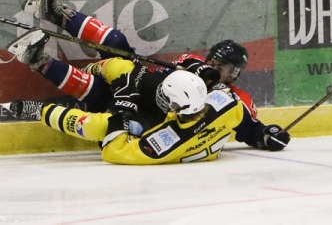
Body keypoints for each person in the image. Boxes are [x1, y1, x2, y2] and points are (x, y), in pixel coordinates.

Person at [11, 0, 290, 151]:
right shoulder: (193, 63)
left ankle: (39, 63)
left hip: (148, 123)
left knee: (97, 98)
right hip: (139, 88)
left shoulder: (235, 100)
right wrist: (201, 73)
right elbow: (176, 75)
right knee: (117, 43)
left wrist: (266, 134)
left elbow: (248, 128)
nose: (217, 67)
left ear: (236, 74)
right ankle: (56, 13)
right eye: (214, 60)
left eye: (225, 67)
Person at [3, 70, 246, 165]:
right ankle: (82, 75)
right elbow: (238, 107)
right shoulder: (228, 104)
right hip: (187, 129)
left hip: (168, 134)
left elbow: (114, 151)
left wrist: (122, 107)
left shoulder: (166, 141)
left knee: (100, 125)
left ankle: (42, 111)